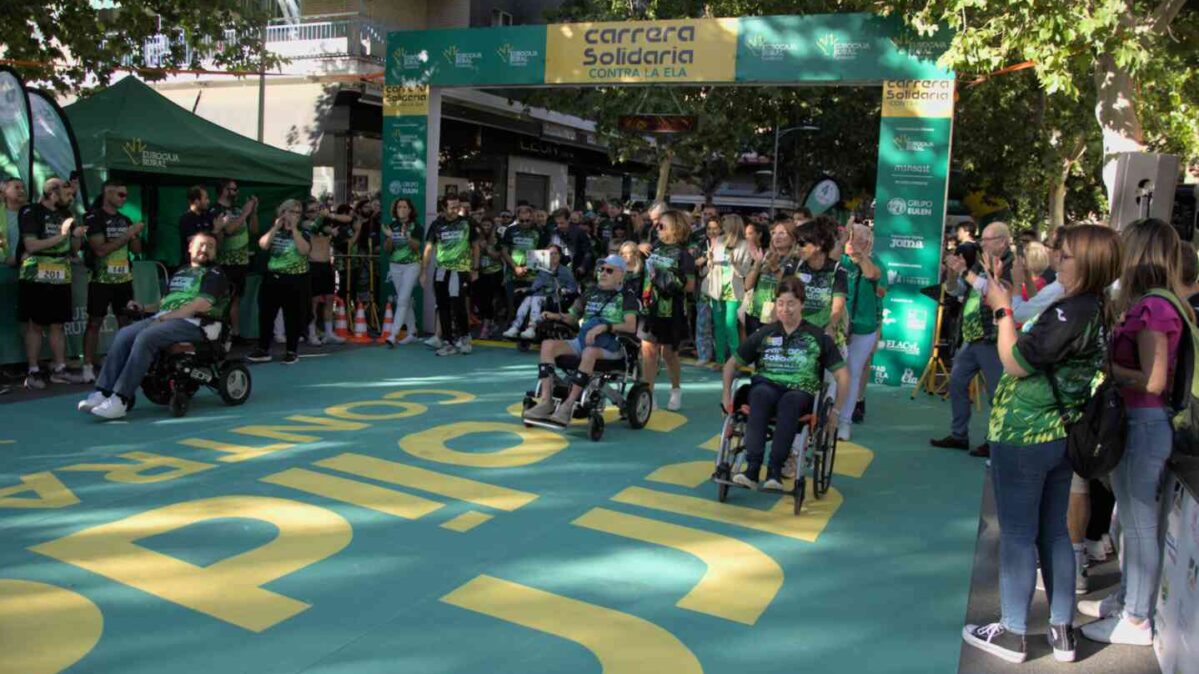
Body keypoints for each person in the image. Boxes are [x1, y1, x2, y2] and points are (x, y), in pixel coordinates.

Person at [962, 225, 1121, 665]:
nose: (1056, 260)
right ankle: (1061, 630)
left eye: (1065, 255)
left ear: (1087, 263)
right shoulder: (1093, 308)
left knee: (1018, 534)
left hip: (1026, 434)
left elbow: (1015, 361)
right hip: (1058, 433)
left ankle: (1013, 631)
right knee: (1053, 532)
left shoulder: (1072, 311)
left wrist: (1001, 311)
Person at [1079, 218, 1188, 647]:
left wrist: (1109, 369)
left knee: (1139, 526)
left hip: (1144, 424)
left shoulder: (1155, 308)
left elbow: (1154, 381)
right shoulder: (1154, 304)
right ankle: (1128, 602)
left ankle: (1137, 617)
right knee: (1131, 523)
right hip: (1138, 423)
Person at [79, 231, 230, 420]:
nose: (205, 249)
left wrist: (168, 317)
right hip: (167, 319)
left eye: (211, 246)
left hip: (196, 323)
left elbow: (200, 304)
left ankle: (120, 400)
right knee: (124, 334)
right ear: (190, 247)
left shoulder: (215, 273)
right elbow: (165, 303)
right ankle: (103, 392)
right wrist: (144, 307)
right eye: (201, 244)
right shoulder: (181, 272)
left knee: (147, 337)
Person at [721, 277, 849, 491]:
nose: (785, 309)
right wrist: (726, 395)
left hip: (800, 391)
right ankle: (752, 469)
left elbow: (843, 375)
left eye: (791, 303)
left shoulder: (818, 336)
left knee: (790, 402)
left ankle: (774, 471)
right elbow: (730, 365)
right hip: (767, 386)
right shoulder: (765, 333)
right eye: (780, 303)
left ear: (802, 304)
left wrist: (835, 411)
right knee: (759, 394)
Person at [523, 254, 639, 429]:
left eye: (609, 270)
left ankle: (568, 405)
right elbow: (572, 316)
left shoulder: (627, 296)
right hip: (583, 341)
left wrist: (605, 327)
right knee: (548, 345)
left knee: (589, 352)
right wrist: (555, 316)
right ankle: (546, 402)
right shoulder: (590, 292)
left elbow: (630, 326)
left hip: (611, 346)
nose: (603, 273)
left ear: (621, 274)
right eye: (601, 269)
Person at [932, 221, 1014, 457]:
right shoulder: (981, 262)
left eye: (987, 240)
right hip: (971, 336)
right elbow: (956, 290)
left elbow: (991, 289)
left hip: (992, 338)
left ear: (1002, 241)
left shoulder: (1010, 264)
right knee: (957, 383)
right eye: (982, 240)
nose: (982, 244)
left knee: (996, 392)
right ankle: (959, 434)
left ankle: (995, 440)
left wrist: (963, 271)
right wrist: (952, 271)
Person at [19, 177, 86, 389]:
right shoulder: (31, 211)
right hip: (36, 272)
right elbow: (31, 245)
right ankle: (33, 371)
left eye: (72, 195)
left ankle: (60, 369)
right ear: (52, 193)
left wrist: (76, 236)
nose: (71, 198)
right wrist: (62, 235)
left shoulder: (66, 214)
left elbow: (73, 248)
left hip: (61, 273)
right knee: (35, 324)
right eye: (67, 194)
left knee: (58, 324)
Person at [82, 179, 145, 383]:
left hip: (124, 279)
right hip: (100, 279)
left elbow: (136, 250)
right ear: (108, 193)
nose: (124, 198)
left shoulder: (125, 219)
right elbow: (100, 250)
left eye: (126, 195)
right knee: (95, 322)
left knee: (125, 321)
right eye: (120, 194)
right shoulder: (93, 217)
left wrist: (135, 235)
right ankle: (87, 365)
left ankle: (125, 362)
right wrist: (128, 235)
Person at [639, 209, 696, 411]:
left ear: (675, 228)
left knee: (669, 354)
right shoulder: (652, 248)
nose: (658, 228)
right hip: (649, 308)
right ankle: (648, 394)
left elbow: (690, 286)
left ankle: (676, 390)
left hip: (672, 310)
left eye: (662, 225)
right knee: (648, 352)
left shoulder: (684, 255)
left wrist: (667, 280)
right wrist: (639, 248)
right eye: (657, 225)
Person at [838, 223, 886, 441]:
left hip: (864, 327)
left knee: (853, 372)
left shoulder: (876, 262)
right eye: (849, 237)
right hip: (838, 325)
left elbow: (872, 275)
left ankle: (844, 421)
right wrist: (842, 241)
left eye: (856, 238)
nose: (851, 242)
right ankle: (828, 416)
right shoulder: (841, 260)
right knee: (832, 373)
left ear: (867, 243)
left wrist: (860, 256)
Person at [248, 200, 310, 365]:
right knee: (266, 315)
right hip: (273, 277)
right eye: (292, 211)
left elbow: (304, 250)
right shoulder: (274, 230)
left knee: (292, 316)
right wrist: (276, 227)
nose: (295, 215)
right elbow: (263, 245)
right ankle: (263, 349)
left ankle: (291, 351)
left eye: (298, 213)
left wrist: (294, 229)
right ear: (283, 212)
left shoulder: (303, 231)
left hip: (295, 279)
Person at [422, 195, 479, 356]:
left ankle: (465, 338)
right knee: (442, 305)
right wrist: (423, 271)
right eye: (452, 207)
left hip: (460, 270)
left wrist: (475, 269)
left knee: (458, 304)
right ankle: (448, 342)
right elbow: (428, 249)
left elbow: (475, 247)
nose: (456, 210)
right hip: (441, 270)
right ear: (443, 208)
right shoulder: (437, 224)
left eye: (457, 206)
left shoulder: (467, 223)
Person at [209, 179, 258, 341]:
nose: (237, 192)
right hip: (225, 263)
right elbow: (228, 230)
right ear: (224, 190)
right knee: (224, 300)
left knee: (236, 299)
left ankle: (235, 334)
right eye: (233, 189)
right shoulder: (216, 210)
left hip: (241, 262)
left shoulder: (237, 209)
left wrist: (253, 212)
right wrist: (245, 213)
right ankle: (220, 335)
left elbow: (254, 231)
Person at [704, 214, 753, 368]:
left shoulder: (745, 245)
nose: (723, 226)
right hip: (717, 289)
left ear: (733, 226)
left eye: (725, 224)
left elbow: (744, 272)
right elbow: (711, 266)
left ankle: (735, 361)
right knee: (718, 325)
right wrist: (710, 259)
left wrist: (734, 263)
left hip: (733, 290)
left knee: (730, 325)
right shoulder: (718, 241)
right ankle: (720, 360)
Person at [504, 245, 577, 339]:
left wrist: (564, 291)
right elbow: (535, 286)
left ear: (560, 255)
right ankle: (515, 327)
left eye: (555, 253)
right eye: (550, 254)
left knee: (535, 298)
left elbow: (573, 288)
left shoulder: (566, 271)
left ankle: (532, 328)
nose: (553, 256)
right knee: (528, 298)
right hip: (541, 295)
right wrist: (526, 289)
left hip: (556, 298)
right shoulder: (543, 270)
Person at [742, 221, 800, 336]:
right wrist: (757, 263)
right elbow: (747, 286)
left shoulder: (796, 261)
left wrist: (774, 268)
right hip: (754, 313)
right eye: (774, 233)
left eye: (782, 233)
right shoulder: (765, 255)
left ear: (793, 239)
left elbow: (788, 287)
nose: (777, 236)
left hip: (777, 315)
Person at [382, 197, 423, 347]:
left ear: (410, 210)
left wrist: (406, 235)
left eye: (405, 207)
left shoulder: (416, 226)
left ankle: (393, 335)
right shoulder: (391, 226)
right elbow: (387, 249)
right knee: (404, 300)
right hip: (395, 266)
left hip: (412, 266)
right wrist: (390, 237)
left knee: (402, 299)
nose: (402, 210)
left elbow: (416, 247)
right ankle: (412, 332)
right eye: (399, 207)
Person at [474, 215, 506, 340]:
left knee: (490, 300)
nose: (486, 227)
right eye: (484, 225)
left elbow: (498, 256)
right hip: (481, 272)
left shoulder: (497, 238)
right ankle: (488, 322)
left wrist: (487, 249)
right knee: (480, 300)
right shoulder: (477, 238)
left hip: (495, 273)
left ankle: (487, 326)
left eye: (488, 225)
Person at [692, 215, 717, 366]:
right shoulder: (701, 244)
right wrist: (705, 259)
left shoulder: (726, 245)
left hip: (722, 290)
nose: (712, 231)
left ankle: (721, 356)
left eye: (715, 228)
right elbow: (692, 263)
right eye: (709, 228)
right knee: (703, 323)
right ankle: (704, 354)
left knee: (720, 325)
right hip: (704, 289)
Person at [178, 186, 214, 268]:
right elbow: (195, 243)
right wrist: (216, 230)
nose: (208, 201)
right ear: (197, 201)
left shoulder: (207, 217)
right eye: (206, 198)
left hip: (207, 263)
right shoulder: (186, 218)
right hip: (192, 264)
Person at [2, 177, 27, 267]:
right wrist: (5, 259)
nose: (22, 191)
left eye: (23, 188)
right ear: (4, 193)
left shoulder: (33, 212)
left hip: (31, 266)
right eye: (17, 188)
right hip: (5, 268)